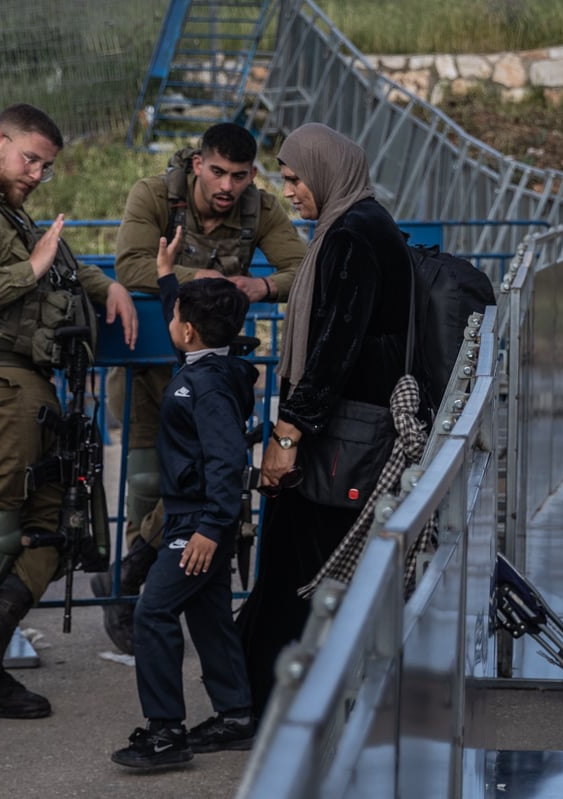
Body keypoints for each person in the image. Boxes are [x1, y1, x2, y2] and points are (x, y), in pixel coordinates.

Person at [0, 103, 138, 726]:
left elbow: (55, 265)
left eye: (46, 166)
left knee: (52, 525)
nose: (38, 174)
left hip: (20, 389)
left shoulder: (2, 210)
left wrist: (107, 288)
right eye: (30, 159)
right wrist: (31, 267)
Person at [95, 122, 307, 655]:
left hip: (213, 375)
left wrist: (262, 286)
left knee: (208, 483)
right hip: (151, 368)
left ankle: (130, 580)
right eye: (217, 172)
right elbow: (133, 264)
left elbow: (302, 267)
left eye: (239, 176)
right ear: (197, 165)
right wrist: (207, 281)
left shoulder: (260, 208)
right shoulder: (153, 195)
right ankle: (134, 593)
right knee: (147, 481)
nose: (227, 187)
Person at [237, 122, 413, 718]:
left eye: (294, 178)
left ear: (326, 172)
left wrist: (287, 435)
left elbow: (335, 348)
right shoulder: (366, 224)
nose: (289, 192)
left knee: (295, 577)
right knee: (301, 578)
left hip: (334, 443)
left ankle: (269, 715)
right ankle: (269, 703)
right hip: (349, 435)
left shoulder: (351, 239)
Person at [111, 229, 258, 770]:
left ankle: (166, 732)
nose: (171, 319)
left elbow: (227, 461)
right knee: (211, 616)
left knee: (153, 613)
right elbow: (184, 310)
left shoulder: (209, 387)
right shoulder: (207, 359)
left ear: (189, 332)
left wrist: (211, 528)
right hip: (197, 516)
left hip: (197, 521)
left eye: (176, 316)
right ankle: (236, 715)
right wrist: (166, 272)